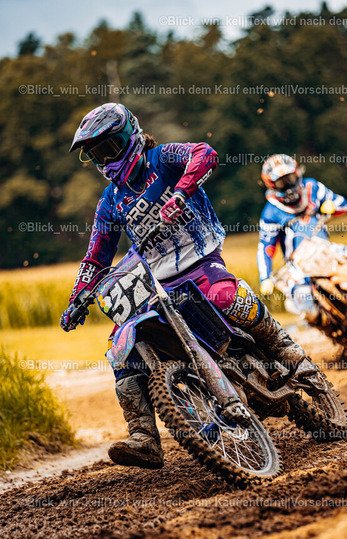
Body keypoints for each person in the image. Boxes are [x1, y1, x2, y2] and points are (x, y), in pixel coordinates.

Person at [60, 104, 317, 470]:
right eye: (96, 154)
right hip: (156, 280)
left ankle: (285, 348)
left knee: (223, 295)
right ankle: (144, 436)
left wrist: (180, 193)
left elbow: (204, 153)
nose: (105, 160)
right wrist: (77, 298)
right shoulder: (110, 201)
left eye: (109, 148)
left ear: (130, 137)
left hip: (200, 259)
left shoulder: (162, 158)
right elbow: (96, 255)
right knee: (122, 347)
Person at [257, 154, 347, 322]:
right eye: (282, 182)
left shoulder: (312, 187)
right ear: (272, 185)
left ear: (297, 173)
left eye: (290, 178)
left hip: (327, 249)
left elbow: (342, 203)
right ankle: (331, 327)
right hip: (297, 266)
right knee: (306, 307)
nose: (288, 185)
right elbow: (266, 247)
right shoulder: (270, 212)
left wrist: (332, 206)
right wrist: (265, 278)